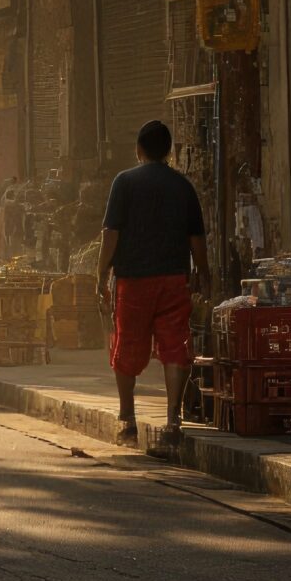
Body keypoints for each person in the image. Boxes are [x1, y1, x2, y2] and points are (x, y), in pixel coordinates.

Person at [96, 120, 208, 458]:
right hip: (175, 280)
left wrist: (100, 273)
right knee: (175, 345)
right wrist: (205, 276)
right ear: (169, 151)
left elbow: (110, 234)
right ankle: (173, 422)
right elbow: (197, 240)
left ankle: (127, 420)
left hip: (133, 281)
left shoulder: (124, 182)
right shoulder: (183, 187)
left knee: (127, 345)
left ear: (138, 150)